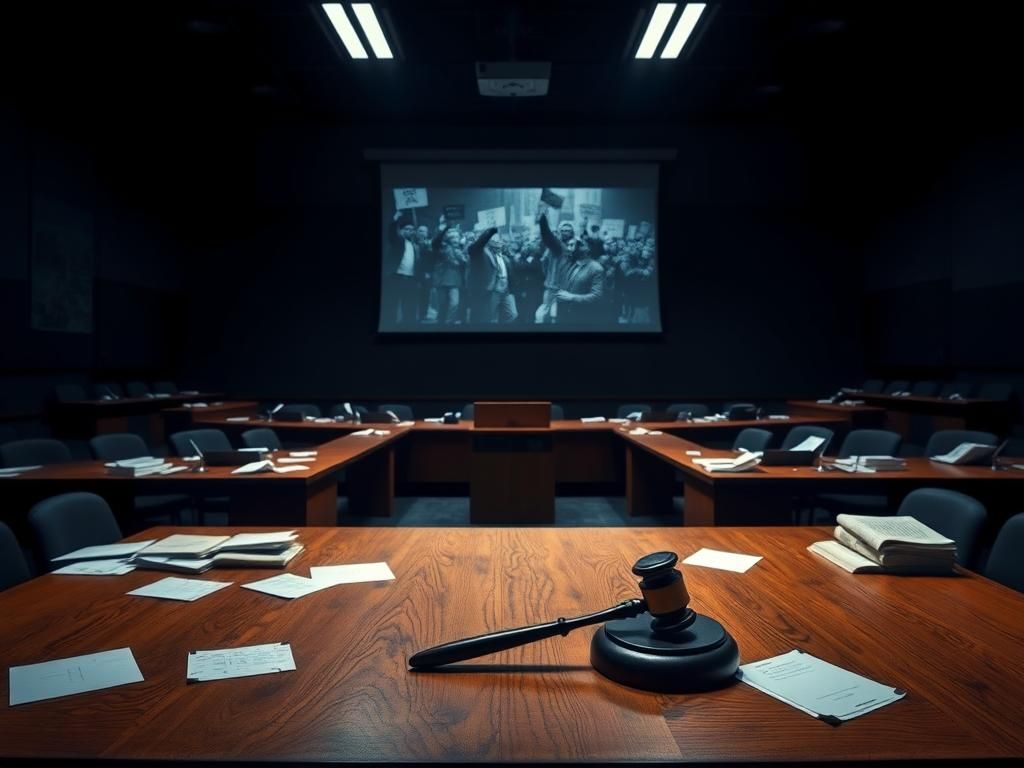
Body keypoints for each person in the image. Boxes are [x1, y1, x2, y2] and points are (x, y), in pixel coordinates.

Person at [466, 226, 517, 324]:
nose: (498, 241)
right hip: (484, 289)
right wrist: (490, 232)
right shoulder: (477, 251)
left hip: (499, 290)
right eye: (495, 239)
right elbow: (478, 245)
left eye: (499, 239)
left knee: (510, 315)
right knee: (487, 318)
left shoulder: (496, 254)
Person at [430, 215, 467, 324]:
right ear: (447, 238)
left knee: (454, 303)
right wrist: (446, 227)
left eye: (457, 237)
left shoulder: (459, 250)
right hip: (441, 280)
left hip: (454, 281)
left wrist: (463, 246)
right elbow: (436, 240)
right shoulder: (440, 247)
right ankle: (441, 325)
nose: (455, 238)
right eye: (453, 237)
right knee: (442, 305)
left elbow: (465, 262)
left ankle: (449, 324)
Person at [389, 210, 420, 325]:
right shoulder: (398, 241)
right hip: (397, 278)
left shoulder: (414, 245)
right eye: (407, 229)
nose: (410, 231)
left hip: (411, 279)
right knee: (393, 304)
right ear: (401, 231)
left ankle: (408, 327)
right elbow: (392, 234)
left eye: (412, 230)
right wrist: (395, 220)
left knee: (410, 306)